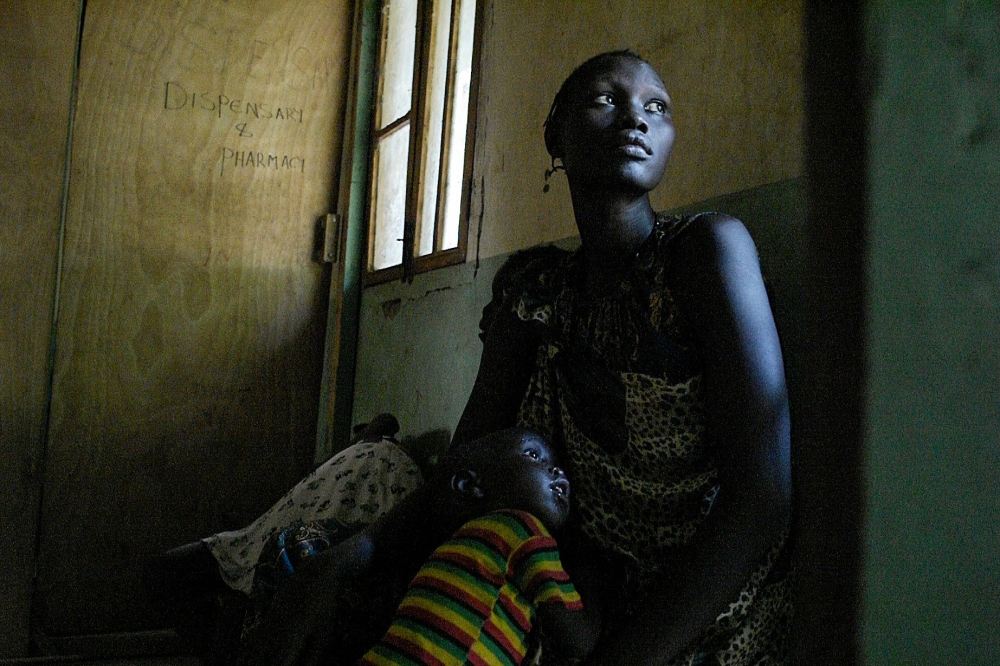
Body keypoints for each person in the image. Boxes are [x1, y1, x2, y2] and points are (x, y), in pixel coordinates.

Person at [248, 49, 792, 666]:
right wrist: (352, 559)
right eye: (606, 100)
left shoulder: (706, 252)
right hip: (572, 593)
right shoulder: (535, 292)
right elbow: (470, 464)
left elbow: (762, 495)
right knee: (303, 562)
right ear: (555, 135)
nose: (635, 119)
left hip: (697, 609)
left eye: (656, 107)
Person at [357, 427, 598, 666]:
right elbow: (578, 640)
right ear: (470, 484)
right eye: (534, 455)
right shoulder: (521, 528)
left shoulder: (458, 546)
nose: (556, 470)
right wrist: (595, 576)